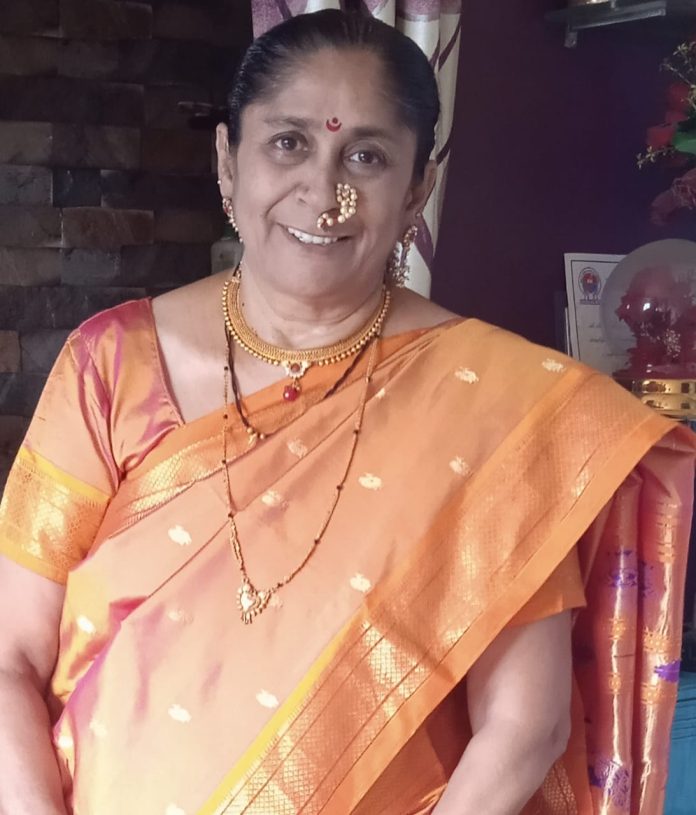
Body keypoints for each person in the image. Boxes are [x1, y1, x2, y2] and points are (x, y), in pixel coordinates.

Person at [0, 10, 693, 815]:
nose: (323, 193)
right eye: (288, 142)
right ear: (228, 160)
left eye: (366, 156)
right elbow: (11, 655)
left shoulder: (494, 405)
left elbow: (522, 725)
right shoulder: (112, 363)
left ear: (417, 189)